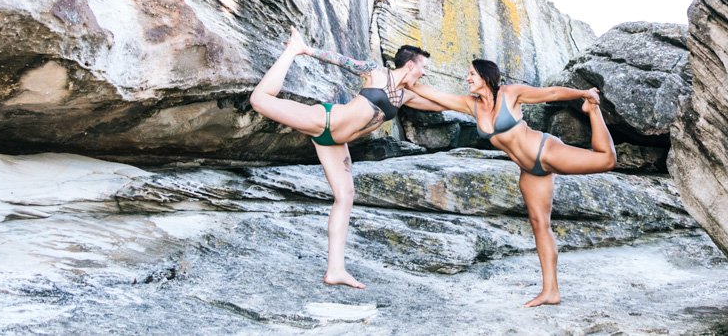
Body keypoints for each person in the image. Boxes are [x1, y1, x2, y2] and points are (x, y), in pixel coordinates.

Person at [249, 28, 444, 289]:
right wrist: (305, 50)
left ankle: (336, 270)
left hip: (336, 142)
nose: (424, 73)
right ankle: (290, 51)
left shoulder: (406, 95)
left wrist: (478, 103)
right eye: (423, 68)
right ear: (410, 65)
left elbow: (440, 103)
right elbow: (339, 60)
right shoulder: (375, 72)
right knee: (259, 100)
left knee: (345, 196)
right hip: (323, 120)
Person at [412, 58, 616, 307]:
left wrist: (584, 94)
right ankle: (550, 291)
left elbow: (550, 93)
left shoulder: (510, 94)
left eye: (472, 74)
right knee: (540, 225)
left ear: (486, 76)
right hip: (529, 171)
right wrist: (405, 78)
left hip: (545, 151)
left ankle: (593, 110)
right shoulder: (472, 105)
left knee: (606, 160)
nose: (467, 79)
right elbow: (435, 95)